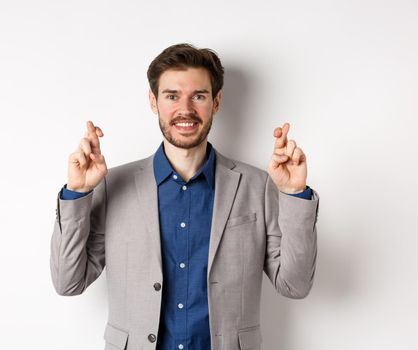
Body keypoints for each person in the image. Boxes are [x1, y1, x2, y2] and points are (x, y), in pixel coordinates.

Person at [50, 43, 319, 350]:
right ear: (154, 101)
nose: (185, 109)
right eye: (172, 96)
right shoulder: (113, 185)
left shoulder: (257, 185)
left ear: (216, 102)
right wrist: (78, 192)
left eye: (199, 96)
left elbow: (295, 286)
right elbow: (68, 282)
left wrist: (295, 193)